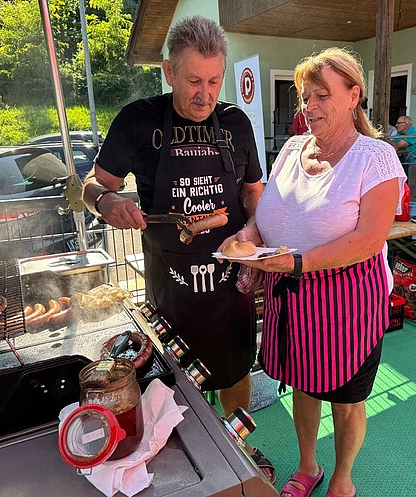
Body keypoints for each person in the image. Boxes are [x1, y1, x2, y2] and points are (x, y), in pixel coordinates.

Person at [81, 16, 275, 482]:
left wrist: (254, 230)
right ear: (169, 72)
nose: (205, 94)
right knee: (171, 387)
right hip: (170, 289)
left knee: (234, 373)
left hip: (230, 286)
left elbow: (254, 190)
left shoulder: (236, 123)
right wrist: (107, 202)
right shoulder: (137, 120)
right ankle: (189, 472)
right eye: (193, 81)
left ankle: (236, 453)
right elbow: (91, 185)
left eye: (214, 81)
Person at [219, 47, 405, 497]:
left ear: (354, 96)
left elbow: (369, 239)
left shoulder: (375, 157)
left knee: (345, 398)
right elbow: (268, 213)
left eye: (322, 95)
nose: (310, 106)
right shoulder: (291, 149)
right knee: (303, 385)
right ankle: (308, 467)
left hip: (349, 303)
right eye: (305, 97)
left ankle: (342, 479)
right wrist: (249, 235)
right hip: (290, 296)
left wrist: (297, 262)